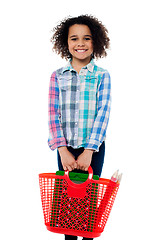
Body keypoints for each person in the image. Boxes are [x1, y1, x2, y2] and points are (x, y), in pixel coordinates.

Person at [48, 14, 111, 240]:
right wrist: (62, 150)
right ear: (66, 43)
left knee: (87, 205)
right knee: (67, 207)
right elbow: (52, 114)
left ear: (96, 42)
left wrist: (88, 151)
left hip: (92, 149)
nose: (80, 44)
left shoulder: (102, 76)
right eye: (74, 39)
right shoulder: (57, 76)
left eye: (87, 38)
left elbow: (103, 113)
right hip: (66, 150)